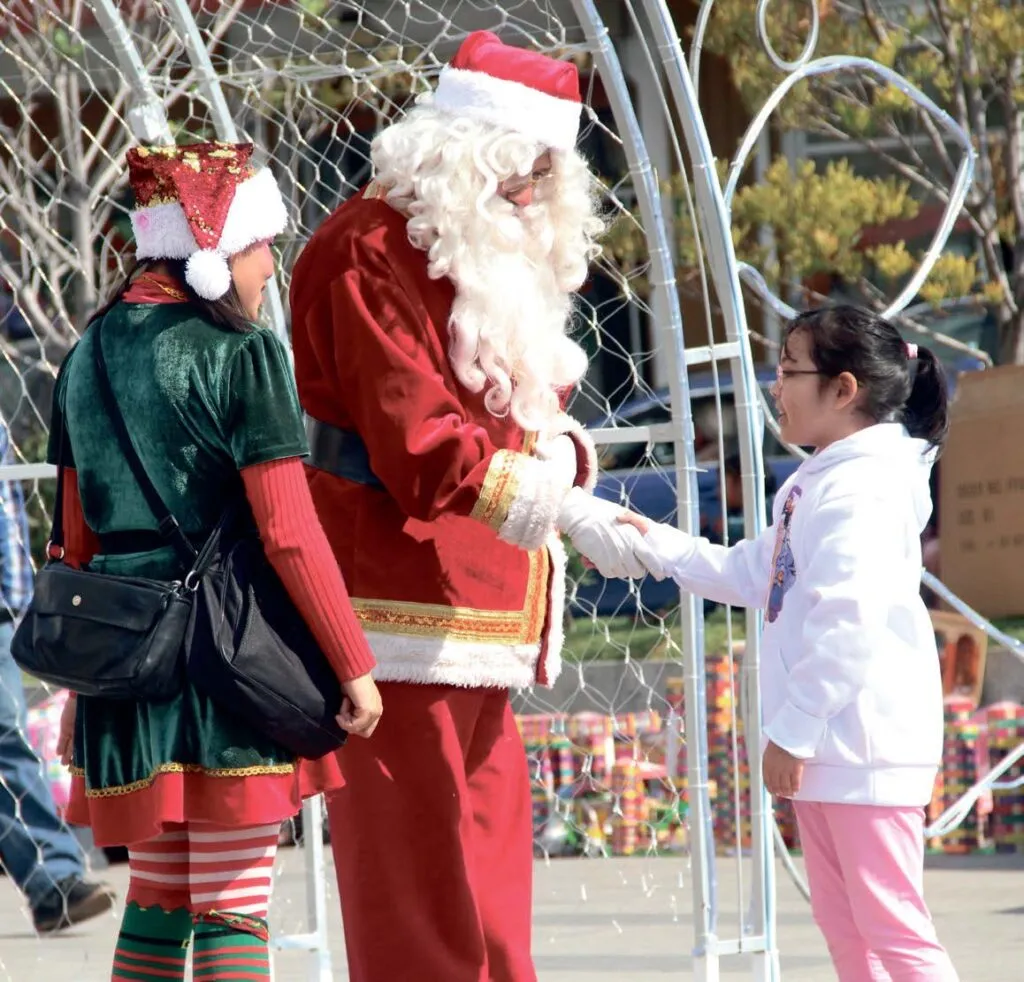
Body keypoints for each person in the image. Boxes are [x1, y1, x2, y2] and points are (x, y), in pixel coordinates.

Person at [289, 31, 647, 982]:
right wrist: (564, 505)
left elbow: (515, 420)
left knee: (491, 903)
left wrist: (568, 470)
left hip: (486, 609)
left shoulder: (478, 256)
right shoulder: (364, 249)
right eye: (517, 177)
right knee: (419, 906)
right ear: (462, 156)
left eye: (543, 178)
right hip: (391, 610)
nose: (530, 198)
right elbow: (420, 450)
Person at [48, 142, 382, 982]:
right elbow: (290, 531)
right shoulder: (245, 353)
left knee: (157, 906)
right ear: (215, 246)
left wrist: (75, 690)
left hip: (125, 665)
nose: (273, 264)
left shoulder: (86, 353)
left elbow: (72, 546)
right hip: (226, 661)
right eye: (264, 243)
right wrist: (353, 665)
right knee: (235, 902)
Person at [613, 306, 960, 981]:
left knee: (893, 933)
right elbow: (760, 573)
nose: (777, 387)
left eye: (790, 370)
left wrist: (796, 730)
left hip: (860, 746)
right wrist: (657, 547)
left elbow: (846, 621)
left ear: (844, 389)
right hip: (837, 749)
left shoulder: (861, 489)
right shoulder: (824, 479)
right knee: (848, 931)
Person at [0, 419, 115, 932]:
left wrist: (17, 598)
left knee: (8, 739)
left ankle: (52, 883)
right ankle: (52, 882)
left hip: (6, 607)